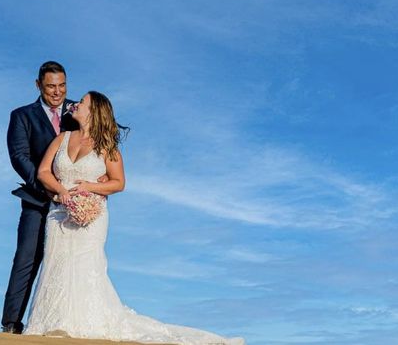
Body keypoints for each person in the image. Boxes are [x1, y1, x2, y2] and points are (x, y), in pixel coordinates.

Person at [24, 91, 245, 345]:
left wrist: (90, 187)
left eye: (82, 102)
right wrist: (63, 193)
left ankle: (82, 322)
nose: (75, 104)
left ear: (94, 111)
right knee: (56, 261)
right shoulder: (62, 138)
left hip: (91, 216)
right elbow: (43, 172)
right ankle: (52, 321)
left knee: (86, 265)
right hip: (59, 213)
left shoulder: (107, 147)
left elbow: (119, 183)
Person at [0, 61, 78, 334]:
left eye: (62, 85)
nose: (57, 92)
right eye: (50, 86)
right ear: (38, 85)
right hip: (37, 199)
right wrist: (50, 188)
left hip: (75, 202)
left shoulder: (81, 110)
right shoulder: (22, 115)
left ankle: (71, 323)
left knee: (73, 260)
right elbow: (19, 156)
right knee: (26, 259)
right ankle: (11, 323)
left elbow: (102, 142)